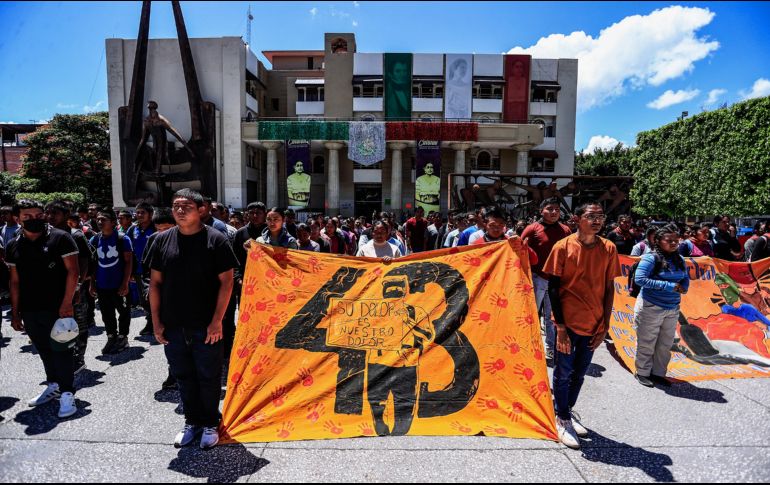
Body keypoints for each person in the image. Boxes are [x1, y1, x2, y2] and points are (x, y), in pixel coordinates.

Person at [148, 188, 238, 449]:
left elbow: (227, 283)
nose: (179, 210)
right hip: (174, 324)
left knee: (208, 376)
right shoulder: (161, 240)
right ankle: (192, 422)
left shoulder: (216, 240)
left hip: (206, 325)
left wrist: (217, 321)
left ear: (201, 210)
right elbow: (155, 284)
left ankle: (210, 423)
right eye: (176, 205)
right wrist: (156, 321)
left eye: (186, 206)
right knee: (183, 375)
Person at [543, 202, 621, 449]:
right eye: (591, 216)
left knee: (580, 372)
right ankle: (562, 417)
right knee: (563, 372)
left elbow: (609, 288)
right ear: (577, 219)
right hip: (566, 323)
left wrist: (605, 324)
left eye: (601, 216)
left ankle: (567, 410)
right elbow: (553, 289)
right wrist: (561, 328)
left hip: (594, 322)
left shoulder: (609, 248)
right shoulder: (562, 247)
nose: (597, 220)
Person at [6, 199, 80, 418]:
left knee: (63, 351)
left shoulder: (61, 238)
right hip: (30, 309)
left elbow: (73, 273)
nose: (34, 219)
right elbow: (15, 282)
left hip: (58, 309)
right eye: (27, 217)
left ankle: (67, 393)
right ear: (17, 219)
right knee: (44, 350)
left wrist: (67, 303)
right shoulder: (13, 244)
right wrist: (16, 311)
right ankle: (53, 385)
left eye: (38, 215)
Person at [633, 224, 689, 388]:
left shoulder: (679, 259)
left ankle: (658, 373)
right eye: (669, 240)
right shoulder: (650, 258)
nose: (673, 243)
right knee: (647, 342)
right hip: (651, 306)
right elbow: (640, 279)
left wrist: (685, 286)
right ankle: (642, 372)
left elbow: (685, 277)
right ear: (658, 241)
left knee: (665, 344)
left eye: (676, 241)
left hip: (672, 308)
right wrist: (668, 286)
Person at [521, 198, 572, 360]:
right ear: (541, 210)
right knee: (532, 315)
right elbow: (520, 250)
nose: (554, 212)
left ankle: (550, 347)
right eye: (550, 209)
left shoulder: (566, 230)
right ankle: (528, 345)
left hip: (556, 281)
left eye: (557, 209)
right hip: (536, 279)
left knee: (552, 317)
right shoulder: (532, 228)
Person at [45, 200, 92, 374]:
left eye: (54, 213)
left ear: (66, 215)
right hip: (54, 290)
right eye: (47, 212)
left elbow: (85, 263)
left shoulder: (76, 235)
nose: (49, 216)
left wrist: (78, 287)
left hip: (74, 290)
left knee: (78, 324)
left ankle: (78, 358)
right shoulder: (47, 236)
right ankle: (63, 358)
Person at [139, 207, 178, 389]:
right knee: (168, 338)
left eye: (167, 229)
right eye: (159, 229)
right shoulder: (154, 240)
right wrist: (148, 290)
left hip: (183, 296)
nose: (163, 233)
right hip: (163, 298)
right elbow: (148, 273)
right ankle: (173, 371)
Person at [89, 208, 134, 355]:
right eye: (98, 219)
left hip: (119, 284)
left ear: (113, 223)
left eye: (104, 219)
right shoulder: (95, 240)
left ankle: (123, 337)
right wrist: (92, 283)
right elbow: (94, 264)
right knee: (106, 313)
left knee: (123, 311)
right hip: (102, 285)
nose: (100, 222)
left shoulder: (122, 239)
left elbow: (128, 262)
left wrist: (125, 283)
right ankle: (111, 336)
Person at [126, 202, 156, 337]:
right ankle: (150, 322)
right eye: (137, 212)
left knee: (155, 298)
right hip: (138, 271)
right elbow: (128, 251)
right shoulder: (132, 230)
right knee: (144, 300)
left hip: (154, 270)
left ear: (150, 214)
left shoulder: (156, 228)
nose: (139, 215)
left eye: (142, 212)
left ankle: (156, 324)